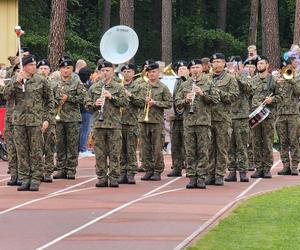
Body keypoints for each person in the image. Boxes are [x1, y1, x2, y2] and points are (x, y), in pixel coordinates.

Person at [4, 55, 54, 191]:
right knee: (22, 151)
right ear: (24, 66)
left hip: (35, 121)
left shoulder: (41, 80)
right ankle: (25, 179)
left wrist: (47, 119)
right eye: (31, 65)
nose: (34, 67)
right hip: (19, 121)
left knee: (36, 151)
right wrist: (17, 82)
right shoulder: (16, 79)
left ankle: (35, 179)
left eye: (34, 64)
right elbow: (6, 95)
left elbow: (49, 101)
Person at [175, 59, 220, 189]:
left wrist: (202, 94)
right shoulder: (185, 85)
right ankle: (192, 177)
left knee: (203, 151)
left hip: (203, 122)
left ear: (202, 68)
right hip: (188, 122)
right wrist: (185, 100)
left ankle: (201, 177)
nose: (195, 70)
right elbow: (177, 102)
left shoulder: (209, 82)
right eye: (193, 67)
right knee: (189, 151)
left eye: (197, 67)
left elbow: (216, 100)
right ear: (190, 70)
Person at [85, 61, 128, 188]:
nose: (105, 73)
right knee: (100, 153)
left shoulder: (118, 87)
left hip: (114, 125)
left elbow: (125, 102)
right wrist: (95, 104)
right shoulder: (95, 87)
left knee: (115, 153)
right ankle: (102, 177)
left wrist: (112, 97)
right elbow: (87, 104)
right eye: (103, 71)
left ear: (112, 71)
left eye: (107, 70)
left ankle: (114, 177)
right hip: (99, 125)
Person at [206, 53, 239, 186]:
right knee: (210, 148)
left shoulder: (230, 79)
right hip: (208, 118)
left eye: (219, 61)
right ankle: (210, 173)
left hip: (223, 118)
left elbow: (234, 96)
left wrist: (219, 92)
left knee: (222, 148)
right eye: (214, 62)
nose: (217, 64)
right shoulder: (207, 78)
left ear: (224, 63)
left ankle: (219, 174)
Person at [52, 57, 85, 180]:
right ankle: (61, 168)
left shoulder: (77, 82)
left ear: (72, 69)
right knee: (60, 144)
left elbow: (82, 98)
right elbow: (49, 99)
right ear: (59, 69)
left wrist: (69, 98)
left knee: (72, 145)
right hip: (59, 118)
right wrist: (57, 101)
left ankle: (71, 169)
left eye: (68, 68)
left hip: (72, 118)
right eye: (63, 68)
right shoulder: (54, 83)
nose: (65, 70)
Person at [250, 56, 282, 179]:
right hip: (255, 116)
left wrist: (272, 99)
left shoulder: (273, 80)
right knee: (256, 142)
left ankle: (267, 168)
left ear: (267, 65)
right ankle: (259, 168)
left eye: (262, 63)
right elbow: (248, 97)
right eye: (258, 63)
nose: (259, 65)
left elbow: (281, 97)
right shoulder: (252, 80)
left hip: (267, 116)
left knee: (268, 142)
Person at [139, 62, 172, 181]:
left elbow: (169, 103)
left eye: (154, 72)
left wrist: (155, 103)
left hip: (157, 121)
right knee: (145, 148)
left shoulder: (163, 87)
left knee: (157, 148)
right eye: (149, 72)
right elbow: (137, 103)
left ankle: (157, 170)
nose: (151, 74)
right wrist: (143, 100)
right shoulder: (142, 86)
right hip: (143, 120)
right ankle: (148, 169)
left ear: (158, 73)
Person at [225, 59, 253, 182]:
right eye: (231, 65)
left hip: (241, 116)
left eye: (237, 65)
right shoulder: (225, 77)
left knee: (242, 145)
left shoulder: (245, 77)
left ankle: (242, 171)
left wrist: (237, 77)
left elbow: (249, 90)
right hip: (228, 115)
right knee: (230, 146)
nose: (234, 67)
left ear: (241, 66)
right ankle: (231, 170)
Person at [119, 63, 144, 185]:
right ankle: (122, 172)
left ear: (133, 73)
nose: (127, 74)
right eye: (124, 72)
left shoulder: (138, 87)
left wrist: (131, 96)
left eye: (129, 71)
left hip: (132, 122)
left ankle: (131, 173)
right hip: (119, 121)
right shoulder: (118, 86)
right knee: (120, 149)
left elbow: (142, 103)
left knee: (131, 149)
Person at [275, 65, 300, 175]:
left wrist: (291, 81)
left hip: (293, 115)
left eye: (290, 70)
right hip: (280, 115)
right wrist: (277, 82)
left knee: (293, 141)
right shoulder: (278, 83)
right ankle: (286, 165)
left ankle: (294, 166)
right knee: (283, 142)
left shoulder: (295, 82)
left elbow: (298, 92)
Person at [167, 60, 189, 177]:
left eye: (184, 69)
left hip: (187, 117)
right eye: (179, 69)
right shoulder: (174, 82)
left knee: (187, 144)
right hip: (175, 117)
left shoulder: (191, 82)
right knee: (175, 144)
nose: (181, 71)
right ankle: (176, 167)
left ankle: (189, 166)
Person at [37, 59, 56, 182]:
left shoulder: (54, 84)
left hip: (49, 119)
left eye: (46, 69)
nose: (43, 71)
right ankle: (38, 171)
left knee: (49, 146)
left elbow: (54, 102)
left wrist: (48, 119)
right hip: (35, 119)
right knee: (37, 147)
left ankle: (48, 171)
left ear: (50, 71)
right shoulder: (33, 83)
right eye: (41, 68)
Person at [4, 64, 21, 186]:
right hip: (10, 119)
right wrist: (16, 81)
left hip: (23, 120)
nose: (19, 73)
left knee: (22, 148)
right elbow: (6, 94)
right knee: (11, 148)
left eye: (21, 71)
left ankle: (23, 174)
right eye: (17, 71)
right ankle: (14, 175)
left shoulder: (29, 84)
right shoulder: (12, 83)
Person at [78, 66, 94, 156]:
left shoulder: (79, 84)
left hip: (80, 109)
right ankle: (83, 148)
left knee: (82, 129)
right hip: (86, 109)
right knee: (85, 129)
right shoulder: (88, 85)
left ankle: (82, 147)